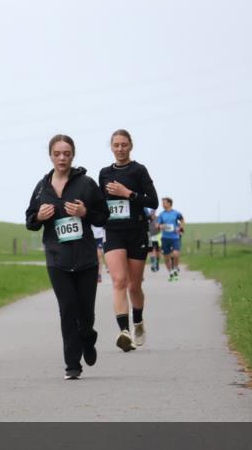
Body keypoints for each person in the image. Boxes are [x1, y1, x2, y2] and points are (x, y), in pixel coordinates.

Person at [26, 134, 110, 380]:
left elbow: (102, 216)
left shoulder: (86, 183)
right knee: (67, 309)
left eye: (66, 153)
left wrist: (85, 212)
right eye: (57, 153)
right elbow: (30, 220)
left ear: (73, 155)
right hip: (57, 259)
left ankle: (88, 336)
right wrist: (39, 217)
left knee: (86, 314)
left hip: (85, 258)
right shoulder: (42, 187)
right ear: (50, 156)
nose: (62, 158)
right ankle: (72, 364)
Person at [98, 129, 159, 351]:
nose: (120, 149)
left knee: (134, 286)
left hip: (136, 232)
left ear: (130, 146)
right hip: (113, 231)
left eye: (124, 144)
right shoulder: (104, 173)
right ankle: (124, 332)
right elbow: (100, 203)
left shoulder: (139, 170)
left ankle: (138, 322)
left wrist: (128, 193)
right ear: (111, 147)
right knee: (118, 281)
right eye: (116, 145)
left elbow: (153, 202)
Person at [157, 198, 185, 282]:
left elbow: (182, 220)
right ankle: (171, 272)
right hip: (165, 238)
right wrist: (160, 226)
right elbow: (158, 224)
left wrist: (180, 228)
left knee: (176, 254)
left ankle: (175, 268)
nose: (162, 205)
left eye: (164, 203)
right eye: (162, 203)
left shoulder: (176, 213)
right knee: (166, 257)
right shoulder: (161, 214)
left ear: (169, 203)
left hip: (175, 237)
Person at [147, 208, 162, 272]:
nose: (152, 212)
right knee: (151, 250)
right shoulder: (147, 218)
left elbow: (161, 226)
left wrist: (159, 226)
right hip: (149, 235)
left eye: (153, 211)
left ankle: (157, 262)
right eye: (151, 211)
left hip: (157, 236)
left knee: (158, 251)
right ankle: (153, 264)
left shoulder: (158, 218)